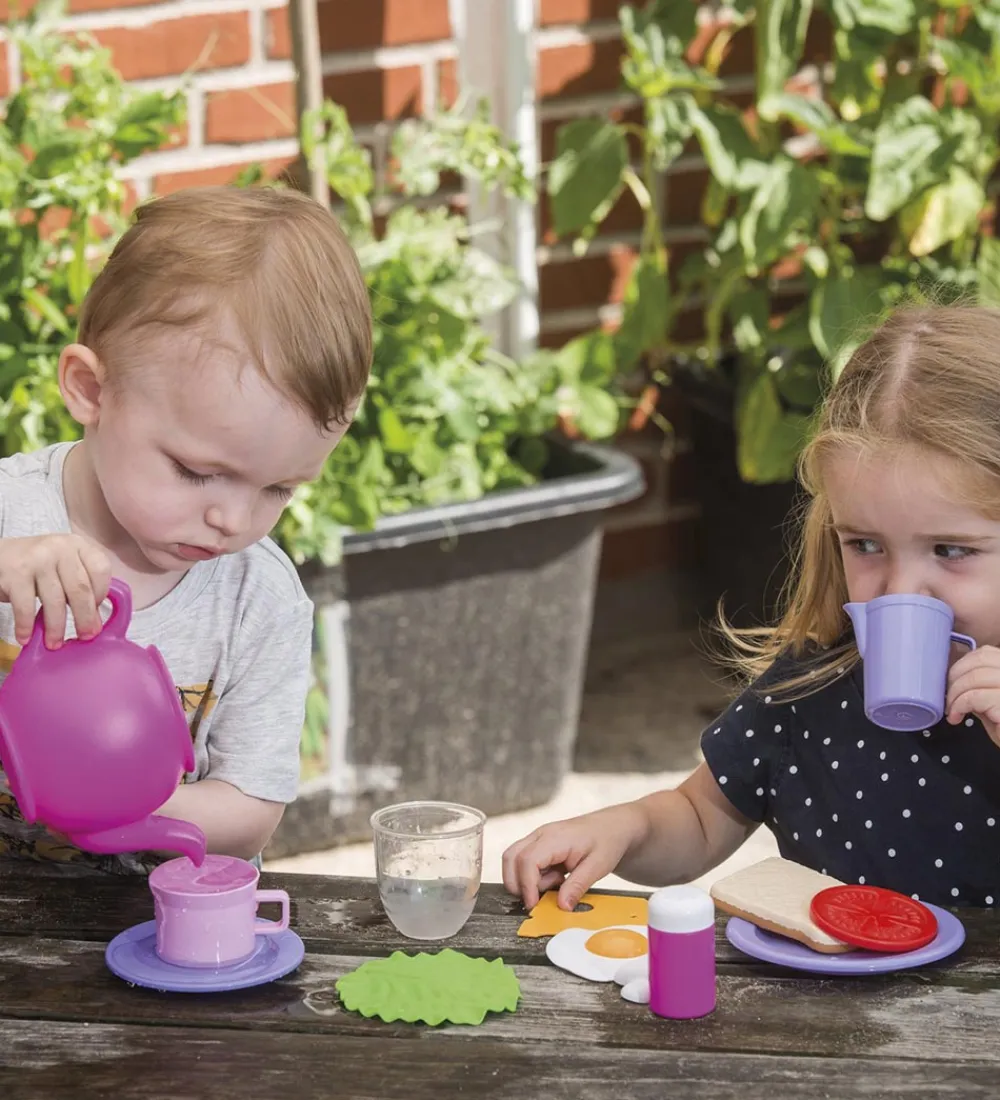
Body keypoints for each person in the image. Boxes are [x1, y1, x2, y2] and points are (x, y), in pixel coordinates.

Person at [504, 303, 1000, 911]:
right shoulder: (815, 681)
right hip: (816, 1005)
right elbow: (700, 815)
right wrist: (624, 828)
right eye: (865, 544)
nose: (899, 589)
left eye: (951, 550)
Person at [0, 185, 372, 873]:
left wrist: (116, 799)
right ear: (92, 391)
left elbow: (253, 808)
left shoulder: (257, 598)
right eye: (197, 472)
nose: (233, 520)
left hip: (159, 927)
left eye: (280, 488)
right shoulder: (10, 517)